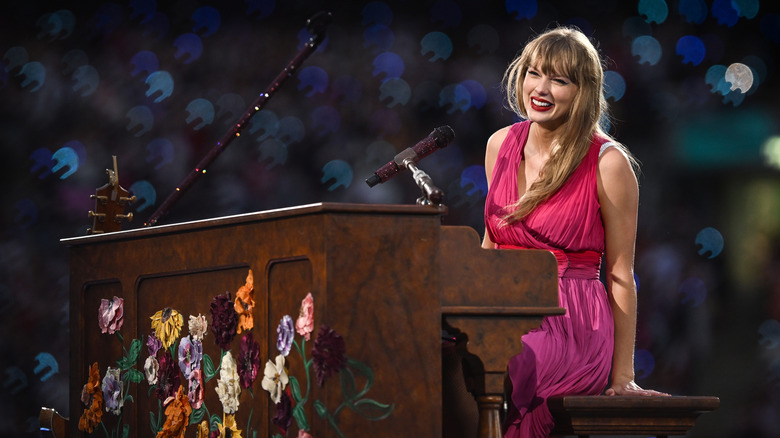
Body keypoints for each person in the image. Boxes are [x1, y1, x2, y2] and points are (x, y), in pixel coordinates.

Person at [481, 26, 669, 437]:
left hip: (570, 322)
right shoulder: (499, 145)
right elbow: (490, 247)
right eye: (534, 73)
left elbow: (621, 275)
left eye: (559, 79)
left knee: (506, 366)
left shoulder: (609, 163)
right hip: (503, 310)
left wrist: (623, 376)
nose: (541, 88)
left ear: (584, 89)